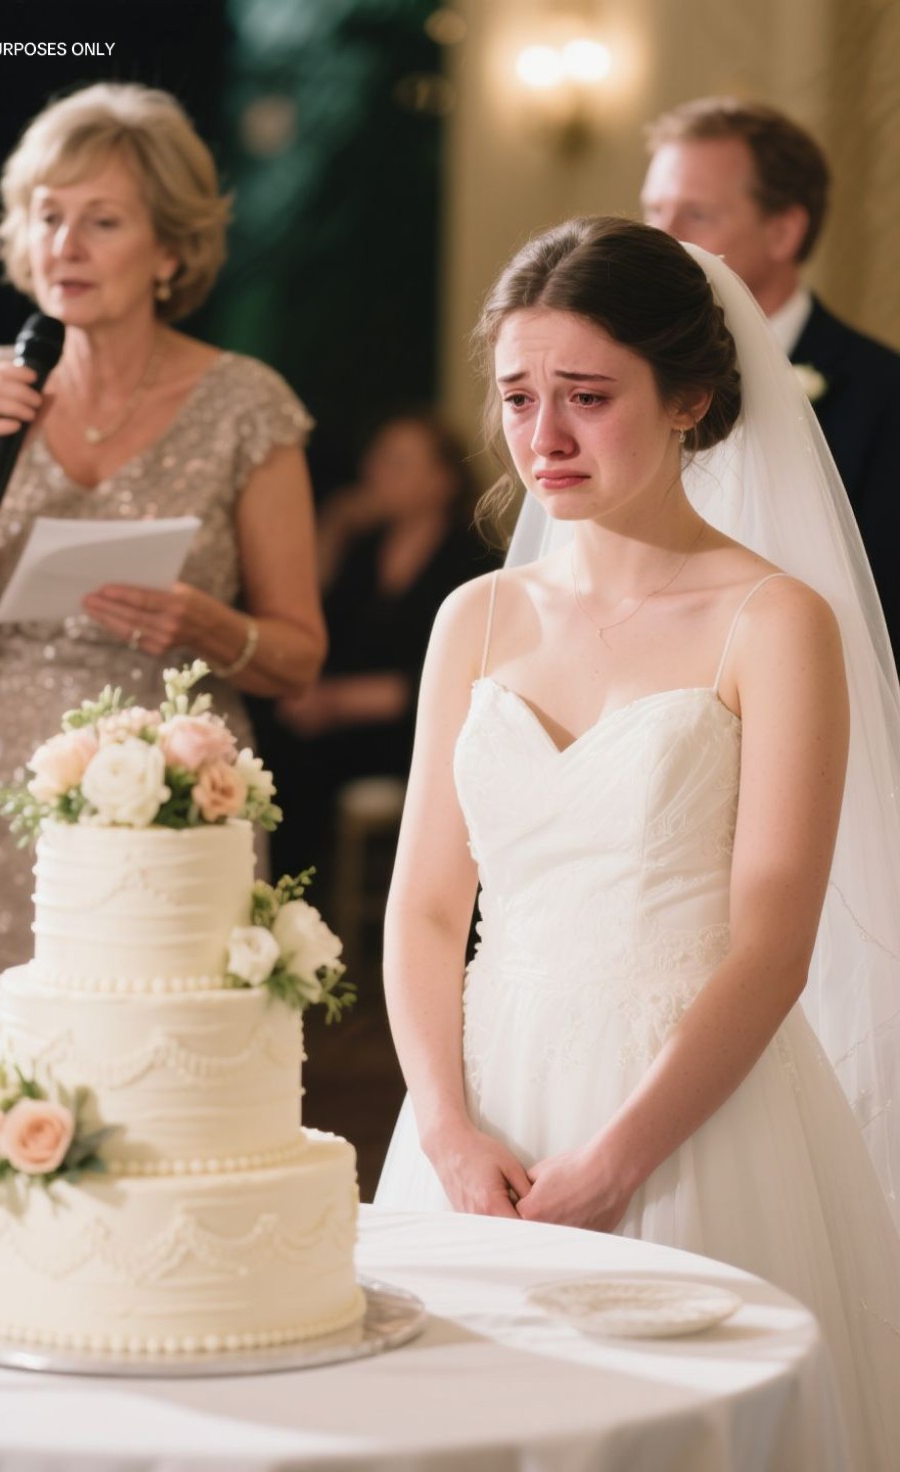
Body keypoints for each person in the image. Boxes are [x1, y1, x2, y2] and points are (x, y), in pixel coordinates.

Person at [375, 218, 900, 1466]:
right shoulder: (476, 616)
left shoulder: (776, 619)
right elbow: (427, 907)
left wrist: (620, 1159)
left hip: (691, 1112)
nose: (544, 437)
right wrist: (446, 1126)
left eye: (588, 396)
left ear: (690, 399)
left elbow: (774, 944)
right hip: (483, 1104)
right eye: (519, 396)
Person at [0, 83, 326, 1210]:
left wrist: (213, 627)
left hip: (175, 811)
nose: (64, 245)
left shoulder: (246, 407)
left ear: (171, 249)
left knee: (159, 1108)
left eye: (102, 220)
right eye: (47, 214)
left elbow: (299, 654)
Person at [641, 96, 900, 652]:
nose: (662, 236)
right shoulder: (622, 384)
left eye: (697, 214)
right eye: (654, 209)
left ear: (784, 232)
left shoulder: (884, 393)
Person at [263, 412, 493, 881]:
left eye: (399, 463)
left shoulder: (473, 560)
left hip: (422, 726)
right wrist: (335, 524)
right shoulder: (365, 550)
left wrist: (340, 702)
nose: (377, 472)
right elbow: (315, 617)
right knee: (270, 740)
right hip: (346, 719)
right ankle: (283, 893)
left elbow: (467, 674)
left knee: (302, 766)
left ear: (444, 481)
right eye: (378, 459)